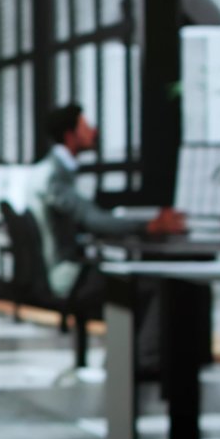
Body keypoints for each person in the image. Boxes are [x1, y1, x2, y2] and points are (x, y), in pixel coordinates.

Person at [31, 104, 185, 299]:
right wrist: (149, 226)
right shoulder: (55, 177)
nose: (94, 131)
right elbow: (94, 220)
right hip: (63, 274)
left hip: (61, 268)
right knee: (149, 284)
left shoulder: (56, 171)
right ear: (70, 136)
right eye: (85, 127)